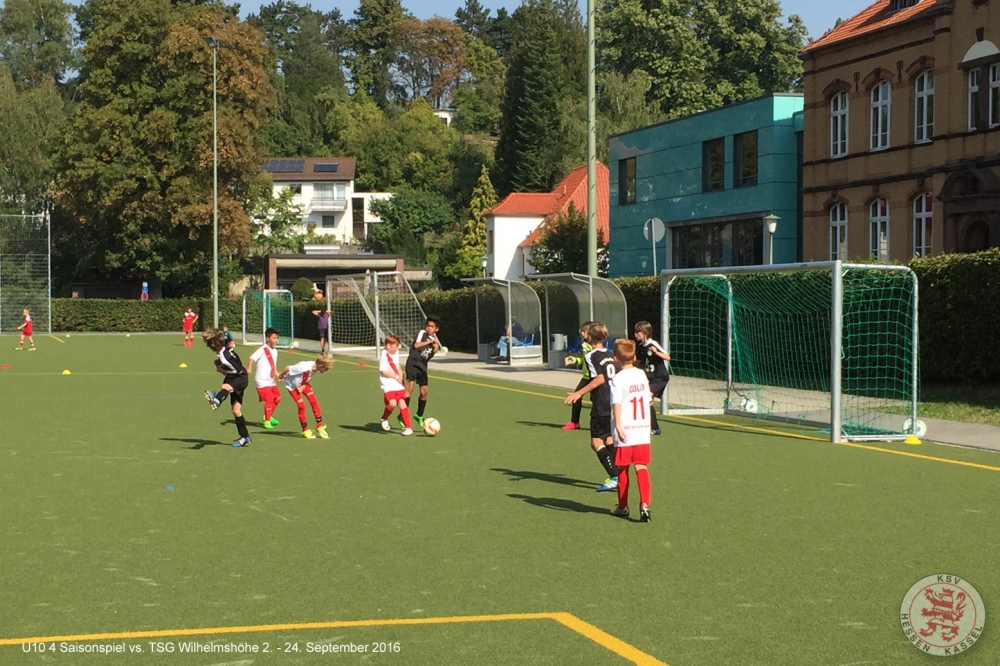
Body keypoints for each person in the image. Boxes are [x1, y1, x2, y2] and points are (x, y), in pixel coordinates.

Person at [563, 322, 620, 492]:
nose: (583, 335)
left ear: (590, 336)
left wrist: (579, 393)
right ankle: (619, 473)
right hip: (613, 401)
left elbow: (599, 379)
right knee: (608, 439)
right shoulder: (611, 355)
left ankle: (615, 476)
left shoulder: (591, 356)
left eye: (585, 333)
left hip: (601, 403)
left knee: (596, 443)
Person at [609, 339, 652, 523]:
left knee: (622, 468)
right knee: (641, 466)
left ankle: (623, 506)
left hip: (626, 429)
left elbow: (616, 402)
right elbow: (647, 398)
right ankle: (645, 505)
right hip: (642, 428)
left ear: (615, 358)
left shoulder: (618, 378)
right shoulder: (641, 374)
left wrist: (618, 425)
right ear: (634, 357)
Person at [202, 328, 253, 448]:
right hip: (236, 378)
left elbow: (237, 370)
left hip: (240, 378)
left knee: (225, 386)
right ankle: (245, 437)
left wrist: (221, 369)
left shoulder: (224, 356)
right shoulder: (224, 350)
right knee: (236, 410)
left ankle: (217, 400)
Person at [277, 353, 334, 439]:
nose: (326, 370)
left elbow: (299, 364)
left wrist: (302, 384)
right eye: (326, 368)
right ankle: (305, 430)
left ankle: (319, 426)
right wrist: (281, 375)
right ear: (321, 365)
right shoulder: (304, 368)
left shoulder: (315, 366)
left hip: (303, 384)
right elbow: (288, 367)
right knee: (302, 406)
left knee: (314, 402)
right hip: (292, 386)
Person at [402, 315, 442, 429]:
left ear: (436, 329)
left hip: (422, 366)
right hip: (413, 363)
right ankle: (403, 415)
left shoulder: (434, 341)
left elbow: (428, 356)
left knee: (424, 392)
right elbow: (416, 345)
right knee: (409, 388)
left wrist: (435, 349)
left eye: (432, 326)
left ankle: (419, 415)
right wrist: (429, 342)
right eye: (428, 325)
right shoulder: (422, 333)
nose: (429, 328)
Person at [633, 320, 670, 436]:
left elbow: (667, 357)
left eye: (637, 332)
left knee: (646, 398)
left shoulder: (653, 344)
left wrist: (656, 352)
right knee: (647, 402)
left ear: (644, 333)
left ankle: (654, 427)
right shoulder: (640, 346)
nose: (635, 334)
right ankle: (653, 428)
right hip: (649, 378)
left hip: (660, 377)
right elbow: (639, 362)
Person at [379, 335, 414, 436]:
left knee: (403, 403)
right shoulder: (384, 356)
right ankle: (384, 418)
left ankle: (408, 427)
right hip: (388, 385)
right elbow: (384, 371)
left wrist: (401, 374)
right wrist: (395, 376)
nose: (397, 348)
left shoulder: (395, 352)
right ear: (388, 346)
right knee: (393, 403)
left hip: (398, 385)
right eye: (396, 346)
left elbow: (397, 364)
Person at [247, 327, 282, 430]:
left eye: (277, 338)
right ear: (268, 338)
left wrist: (278, 374)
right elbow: (251, 358)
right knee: (270, 399)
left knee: (278, 398)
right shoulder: (263, 349)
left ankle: (268, 416)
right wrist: (249, 368)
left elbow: (272, 365)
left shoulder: (275, 351)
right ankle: (267, 421)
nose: (276, 340)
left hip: (270, 380)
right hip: (261, 380)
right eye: (274, 338)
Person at [561, 321, 594, 430]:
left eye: (584, 332)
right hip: (586, 376)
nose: (582, 334)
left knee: (598, 400)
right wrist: (575, 360)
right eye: (581, 331)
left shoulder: (593, 345)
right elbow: (585, 360)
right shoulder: (584, 344)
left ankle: (603, 423)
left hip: (594, 377)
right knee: (576, 396)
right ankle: (575, 422)